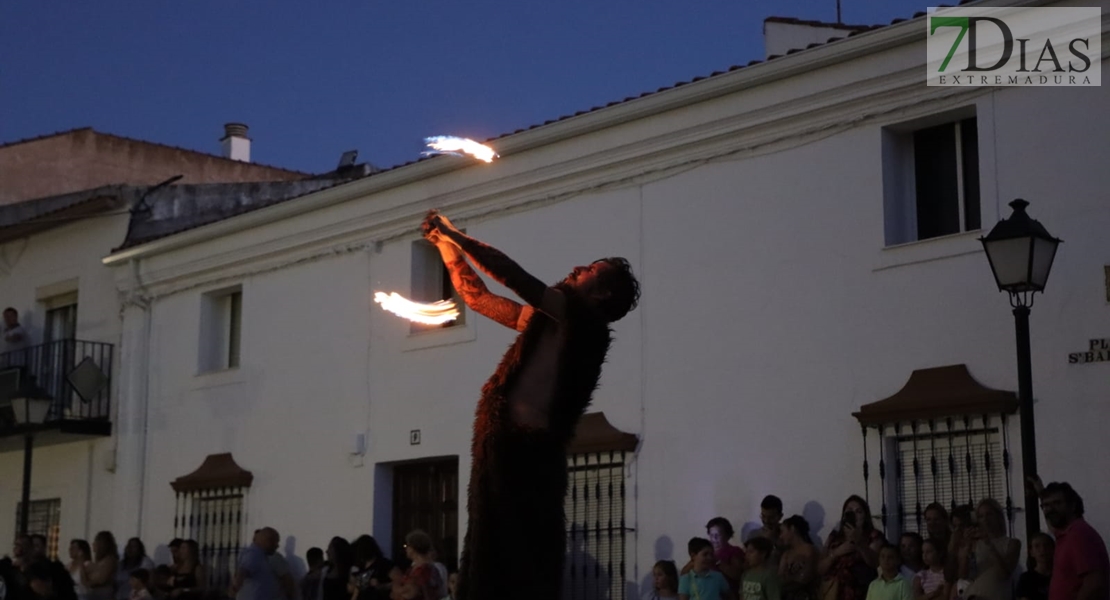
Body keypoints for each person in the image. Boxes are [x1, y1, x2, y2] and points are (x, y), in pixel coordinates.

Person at [421, 210, 640, 600]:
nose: (576, 268)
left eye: (590, 269)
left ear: (602, 293)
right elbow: (478, 298)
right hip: (502, 443)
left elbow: (513, 276)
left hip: (527, 456)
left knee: (516, 564)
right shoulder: (551, 320)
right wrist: (446, 249)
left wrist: (458, 237)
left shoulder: (584, 326)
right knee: (487, 552)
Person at [230, 527, 280, 600]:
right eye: (275, 542)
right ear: (267, 541)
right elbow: (242, 572)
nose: (277, 546)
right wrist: (234, 588)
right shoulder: (254, 554)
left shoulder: (260, 555)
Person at [1015, 533, 1053, 600]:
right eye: (1037, 546)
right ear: (1031, 552)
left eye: (1046, 545)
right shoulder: (1026, 579)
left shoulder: (1061, 575)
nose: (1042, 549)